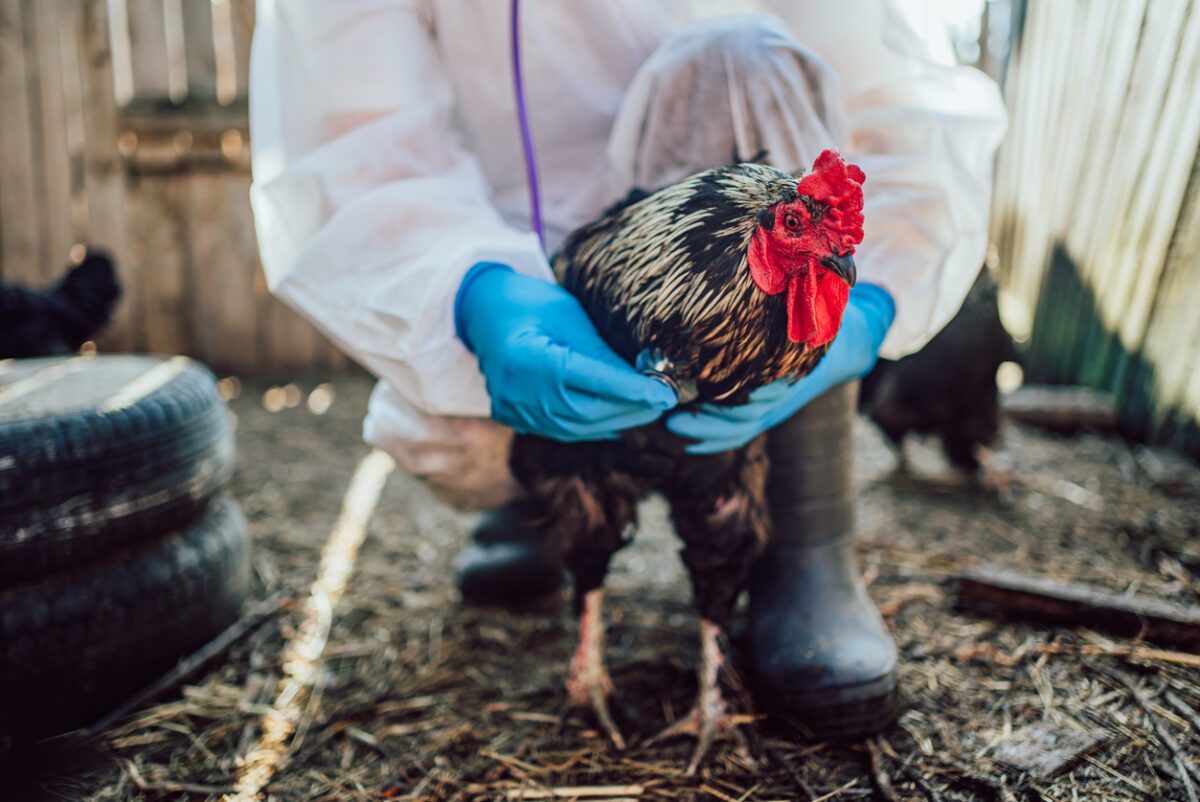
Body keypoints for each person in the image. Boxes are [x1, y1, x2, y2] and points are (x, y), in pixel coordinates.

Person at [248, 1, 1006, 737]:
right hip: (517, 240)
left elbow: (886, 87)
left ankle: (807, 541)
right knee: (448, 427)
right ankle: (536, 505)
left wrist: (868, 300)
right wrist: (472, 287)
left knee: (745, 53)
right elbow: (350, 132)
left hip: (730, 249)